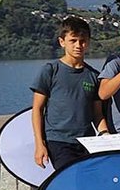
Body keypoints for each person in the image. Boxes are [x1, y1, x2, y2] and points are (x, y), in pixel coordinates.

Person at [30, 16, 107, 169]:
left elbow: (97, 114)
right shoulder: (50, 70)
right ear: (62, 42)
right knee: (68, 180)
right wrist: (40, 144)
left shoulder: (94, 75)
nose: (78, 45)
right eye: (73, 40)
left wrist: (105, 135)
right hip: (59, 141)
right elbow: (37, 110)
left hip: (87, 142)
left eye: (83, 41)